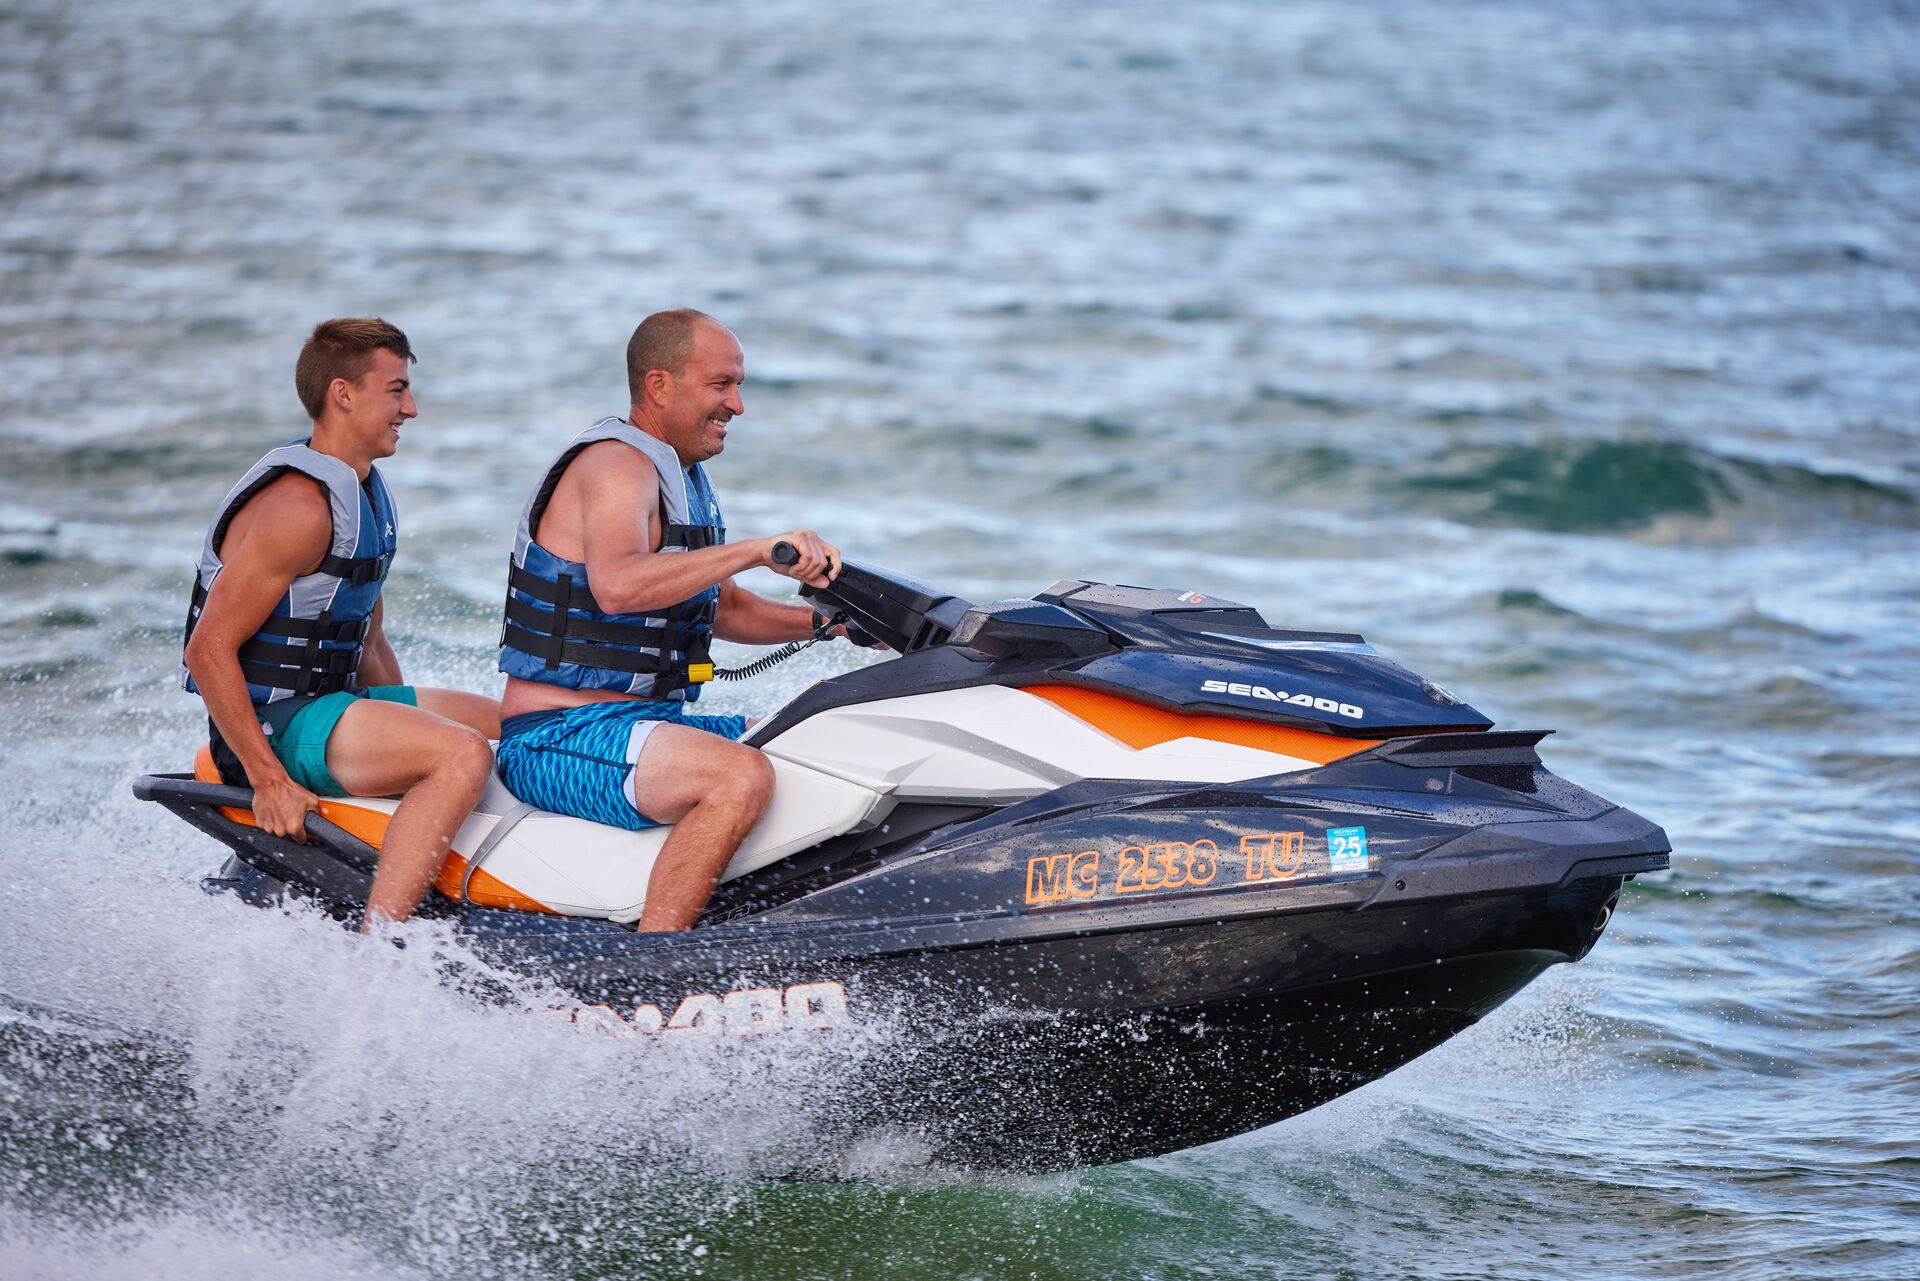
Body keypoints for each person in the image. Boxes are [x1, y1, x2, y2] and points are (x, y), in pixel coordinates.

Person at [494, 308, 852, 933]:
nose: (737, 405)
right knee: (736, 776)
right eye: (721, 385)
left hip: (647, 724)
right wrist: (753, 549)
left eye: (738, 386)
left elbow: (729, 609)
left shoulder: (684, 479)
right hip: (557, 735)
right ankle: (654, 971)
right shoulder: (615, 466)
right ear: (659, 386)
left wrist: (838, 627)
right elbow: (617, 586)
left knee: (811, 740)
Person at [182, 318, 501, 929]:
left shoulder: (363, 495)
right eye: (397, 390)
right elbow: (208, 650)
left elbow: (368, 636)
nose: (411, 408)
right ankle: (381, 948)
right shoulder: (298, 509)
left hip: (330, 706)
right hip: (276, 725)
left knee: (510, 727)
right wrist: (268, 781)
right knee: (461, 754)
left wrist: (408, 729)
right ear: (343, 393)